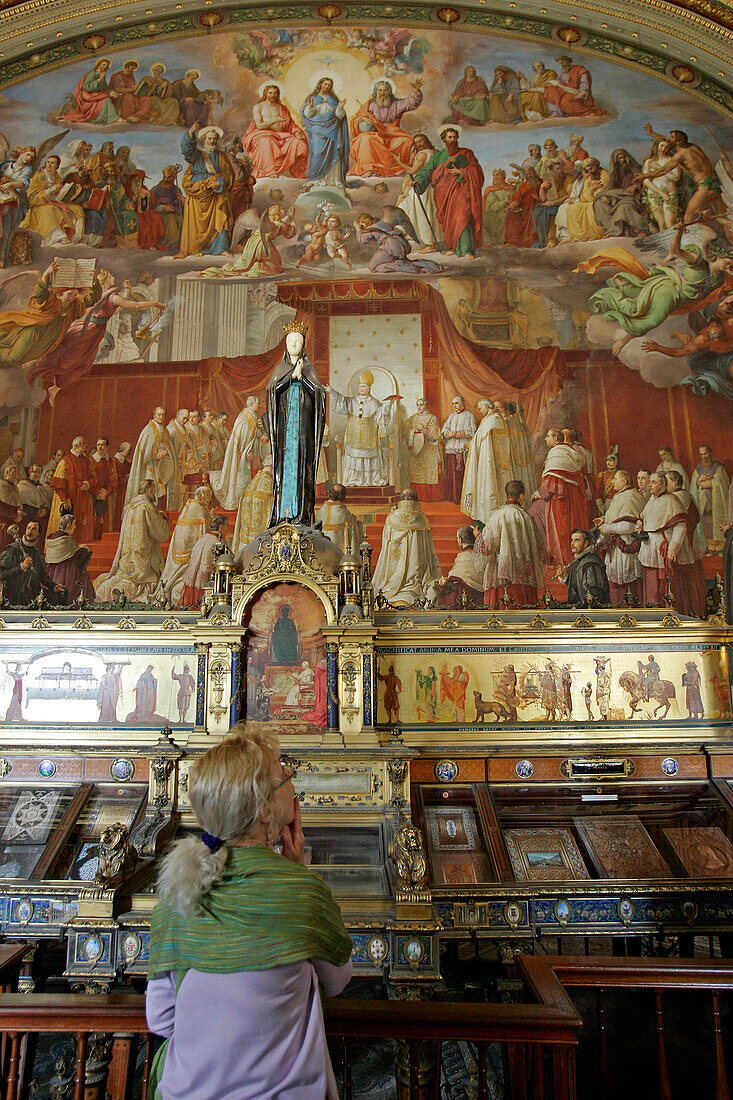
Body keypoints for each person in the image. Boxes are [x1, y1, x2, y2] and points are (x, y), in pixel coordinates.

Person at [146, 727, 352, 1099]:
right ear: (263, 807)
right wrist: (295, 873)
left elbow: (160, 1017)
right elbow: (337, 981)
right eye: (283, 772)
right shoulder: (302, 893)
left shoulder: (179, 895)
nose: (292, 780)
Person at [267, 323, 326, 527]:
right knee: (284, 471)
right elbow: (272, 393)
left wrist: (303, 378)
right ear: (285, 344)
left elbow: (319, 395)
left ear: (303, 345)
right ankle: (283, 516)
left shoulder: (309, 369)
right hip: (285, 433)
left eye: (297, 341)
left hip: (303, 433)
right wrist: (290, 377)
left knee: (302, 469)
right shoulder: (280, 369)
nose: (293, 343)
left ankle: (301, 515)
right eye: (290, 341)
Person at [635, 471, 704, 616]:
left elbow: (681, 527)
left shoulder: (672, 500)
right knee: (651, 585)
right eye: (650, 482)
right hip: (649, 548)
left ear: (662, 484)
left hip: (664, 550)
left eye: (653, 482)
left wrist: (673, 549)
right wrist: (639, 526)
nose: (650, 485)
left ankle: (670, 617)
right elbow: (642, 517)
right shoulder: (652, 500)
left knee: (666, 587)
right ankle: (653, 616)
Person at [411, 127, 484, 256]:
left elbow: (476, 171)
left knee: (463, 216)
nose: (453, 140)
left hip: (462, 191)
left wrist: (461, 172)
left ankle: (466, 250)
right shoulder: (438, 156)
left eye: (455, 137)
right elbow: (427, 170)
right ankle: (453, 248)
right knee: (450, 221)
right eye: (450, 137)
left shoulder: (466, 153)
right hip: (443, 194)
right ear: (444, 139)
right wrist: (419, 180)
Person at [94, 479, 169, 603]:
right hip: (143, 554)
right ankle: (121, 591)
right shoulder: (147, 507)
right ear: (148, 490)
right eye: (154, 490)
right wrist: (165, 521)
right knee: (148, 579)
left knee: (124, 575)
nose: (154, 494)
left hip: (128, 553)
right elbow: (160, 533)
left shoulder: (130, 506)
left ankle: (114, 589)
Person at [529, 428, 590, 566]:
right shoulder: (570, 451)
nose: (546, 439)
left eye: (548, 436)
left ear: (556, 438)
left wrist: (540, 493)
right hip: (573, 500)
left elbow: (551, 482)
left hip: (560, 503)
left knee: (561, 530)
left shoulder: (557, 453)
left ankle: (562, 561)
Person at [482, 480, 546, 608]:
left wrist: (478, 536)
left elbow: (487, 547)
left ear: (506, 495)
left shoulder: (496, 516)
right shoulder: (527, 518)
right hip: (523, 577)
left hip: (501, 575)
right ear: (522, 496)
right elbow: (539, 547)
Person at [372, 488, 441, 606]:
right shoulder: (421, 518)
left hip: (392, 575)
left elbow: (386, 545)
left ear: (401, 499)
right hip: (416, 570)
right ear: (416, 500)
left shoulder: (392, 517)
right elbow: (428, 549)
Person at [327, 370, 391, 487]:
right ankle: (354, 480)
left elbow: (381, 417)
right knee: (354, 457)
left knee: (368, 458)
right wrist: (332, 392)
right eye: (360, 386)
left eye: (364, 386)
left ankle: (370, 480)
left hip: (369, 437)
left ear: (369, 388)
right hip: (353, 436)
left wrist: (387, 407)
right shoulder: (352, 401)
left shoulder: (375, 403)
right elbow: (341, 402)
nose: (361, 388)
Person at [178, 122, 233, 258]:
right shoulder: (197, 155)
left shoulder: (221, 156)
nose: (212, 141)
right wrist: (191, 132)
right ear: (204, 140)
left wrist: (218, 182)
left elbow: (228, 175)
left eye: (214, 139)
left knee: (220, 216)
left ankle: (220, 248)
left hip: (215, 192)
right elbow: (186, 150)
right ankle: (198, 249)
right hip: (199, 191)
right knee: (198, 224)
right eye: (209, 139)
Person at [349, 78, 423, 178]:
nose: (382, 93)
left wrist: (415, 91)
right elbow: (356, 119)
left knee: (406, 141)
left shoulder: (396, 104)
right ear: (375, 92)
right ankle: (368, 168)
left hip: (392, 133)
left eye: (385, 90)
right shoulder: (369, 105)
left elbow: (411, 103)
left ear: (389, 91)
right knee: (365, 139)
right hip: (375, 134)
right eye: (380, 90)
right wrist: (364, 120)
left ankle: (399, 170)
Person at [154, 486, 213, 606]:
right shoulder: (200, 509)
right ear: (200, 495)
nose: (209, 499)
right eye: (207, 495)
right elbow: (205, 532)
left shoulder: (189, 506)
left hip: (180, 549)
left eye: (210, 496)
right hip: (187, 550)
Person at [597, 469, 646, 606]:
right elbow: (616, 517)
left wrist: (606, 528)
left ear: (624, 481)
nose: (612, 482)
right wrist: (604, 519)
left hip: (625, 548)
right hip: (617, 549)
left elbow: (628, 527)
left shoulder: (630, 496)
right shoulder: (621, 495)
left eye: (615, 479)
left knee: (627, 587)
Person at [210, 396, 265, 511]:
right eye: (257, 403)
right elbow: (242, 443)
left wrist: (262, 437)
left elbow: (254, 434)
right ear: (251, 404)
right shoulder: (243, 420)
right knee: (242, 478)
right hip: (242, 456)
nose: (259, 406)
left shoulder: (253, 416)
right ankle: (240, 503)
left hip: (251, 453)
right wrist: (247, 452)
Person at [242, 83, 308, 179]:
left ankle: (292, 170)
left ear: (278, 94)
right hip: (262, 134)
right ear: (265, 94)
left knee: (300, 145)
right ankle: (268, 170)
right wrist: (276, 120)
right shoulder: (259, 107)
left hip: (281, 135)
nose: (273, 95)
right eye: (270, 93)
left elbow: (291, 125)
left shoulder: (282, 108)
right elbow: (260, 125)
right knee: (266, 141)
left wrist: (296, 132)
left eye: (275, 93)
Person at [0, 520, 66, 605]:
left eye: (34, 529)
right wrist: (21, 567)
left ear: (38, 534)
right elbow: (2, 574)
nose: (30, 532)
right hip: (15, 594)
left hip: (32, 594)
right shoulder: (13, 550)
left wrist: (54, 586)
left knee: (61, 595)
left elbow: (42, 576)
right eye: (28, 528)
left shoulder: (36, 554)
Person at [22, 155, 84, 246]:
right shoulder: (38, 176)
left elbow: (60, 198)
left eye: (52, 163)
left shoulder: (57, 177)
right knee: (51, 209)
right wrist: (50, 190)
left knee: (78, 208)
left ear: (57, 166)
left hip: (54, 202)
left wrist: (74, 195)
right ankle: (58, 237)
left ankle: (76, 237)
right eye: (48, 162)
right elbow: (30, 197)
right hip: (38, 205)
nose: (49, 165)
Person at [396, 134, 444, 252]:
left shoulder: (423, 154)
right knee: (418, 210)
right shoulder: (435, 152)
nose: (419, 144)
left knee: (421, 212)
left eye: (421, 141)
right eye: (416, 142)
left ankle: (430, 244)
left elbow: (412, 170)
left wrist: (398, 161)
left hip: (421, 186)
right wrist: (412, 159)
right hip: (430, 185)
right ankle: (414, 234)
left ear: (426, 141)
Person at [301, 77, 349, 186]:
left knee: (333, 153)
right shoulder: (313, 98)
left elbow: (339, 116)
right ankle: (316, 179)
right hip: (317, 131)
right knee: (317, 153)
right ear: (320, 85)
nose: (327, 87)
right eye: (325, 84)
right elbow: (308, 115)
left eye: (329, 85)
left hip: (333, 131)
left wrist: (340, 108)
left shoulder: (334, 100)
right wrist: (310, 107)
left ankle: (333, 180)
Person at [125, 406, 175, 511]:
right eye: (159, 415)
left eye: (163, 415)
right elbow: (144, 454)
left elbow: (170, 448)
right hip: (148, 468)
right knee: (150, 495)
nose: (161, 417)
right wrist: (155, 455)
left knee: (161, 495)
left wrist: (165, 452)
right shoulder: (148, 431)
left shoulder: (165, 430)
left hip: (161, 468)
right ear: (154, 416)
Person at [48, 435, 96, 543]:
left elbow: (93, 477)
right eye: (84, 443)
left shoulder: (87, 461)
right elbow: (59, 484)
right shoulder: (65, 461)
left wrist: (88, 484)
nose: (86, 445)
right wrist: (65, 500)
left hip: (82, 497)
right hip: (69, 499)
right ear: (77, 446)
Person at [594, 149, 648, 239]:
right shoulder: (614, 173)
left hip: (631, 196)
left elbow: (642, 181)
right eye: (619, 158)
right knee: (599, 203)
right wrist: (604, 195)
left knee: (624, 207)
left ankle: (638, 230)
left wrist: (635, 186)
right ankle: (610, 230)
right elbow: (609, 188)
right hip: (617, 196)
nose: (622, 160)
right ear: (615, 161)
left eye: (623, 157)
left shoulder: (635, 169)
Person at [43, 512, 95, 604]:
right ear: (68, 525)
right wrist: (84, 549)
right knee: (83, 575)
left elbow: (69, 550)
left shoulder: (53, 538)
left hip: (51, 572)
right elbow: (74, 553)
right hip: (65, 573)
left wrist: (78, 548)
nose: (75, 527)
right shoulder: (66, 539)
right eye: (74, 524)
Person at [180, 515, 229, 608]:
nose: (227, 528)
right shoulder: (218, 542)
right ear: (221, 527)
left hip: (194, 578)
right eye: (226, 525)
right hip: (206, 580)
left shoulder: (203, 538)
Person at [232, 446, 274, 554]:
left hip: (244, 541)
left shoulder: (253, 482)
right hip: (260, 546)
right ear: (272, 467)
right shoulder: (269, 485)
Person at [691, 443, 730, 552]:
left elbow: (723, 485)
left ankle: (721, 548)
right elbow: (693, 485)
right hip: (705, 504)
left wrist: (709, 484)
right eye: (702, 454)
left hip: (717, 504)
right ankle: (710, 548)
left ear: (710, 453)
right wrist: (698, 480)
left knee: (718, 525)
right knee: (707, 526)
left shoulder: (718, 468)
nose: (704, 457)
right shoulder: (698, 469)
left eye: (706, 453)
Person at [403, 397, 443, 500]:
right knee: (416, 473)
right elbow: (405, 430)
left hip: (429, 450)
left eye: (421, 405)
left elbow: (436, 434)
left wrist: (424, 430)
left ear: (426, 405)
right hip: (416, 450)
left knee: (429, 472)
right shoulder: (413, 418)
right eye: (417, 405)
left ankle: (430, 497)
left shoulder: (432, 417)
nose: (419, 407)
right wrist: (411, 432)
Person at [60, 59, 120, 125]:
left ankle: (108, 117)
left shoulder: (102, 75)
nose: (105, 67)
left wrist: (111, 92)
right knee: (106, 100)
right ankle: (113, 118)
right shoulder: (92, 74)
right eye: (104, 65)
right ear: (99, 65)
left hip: (97, 95)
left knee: (112, 98)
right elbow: (87, 87)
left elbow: (104, 89)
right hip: (88, 97)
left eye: (107, 66)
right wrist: (99, 80)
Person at [436, 526, 484, 607]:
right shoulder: (480, 556)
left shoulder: (464, 557)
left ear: (460, 540)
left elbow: (459, 580)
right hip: (479, 597)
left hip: (465, 598)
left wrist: (446, 582)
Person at [442, 395, 476, 505]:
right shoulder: (451, 416)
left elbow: (471, 431)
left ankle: (461, 498)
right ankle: (451, 497)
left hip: (462, 448)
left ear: (463, 402)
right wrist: (448, 433)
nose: (454, 405)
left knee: (460, 474)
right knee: (450, 473)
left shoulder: (469, 416)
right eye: (453, 404)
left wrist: (455, 433)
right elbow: (444, 429)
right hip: (451, 448)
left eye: (456, 403)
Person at [564, 528, 609, 606]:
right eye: (572, 540)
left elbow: (594, 594)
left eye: (577, 540)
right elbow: (579, 587)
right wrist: (565, 578)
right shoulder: (579, 561)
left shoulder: (591, 564)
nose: (572, 544)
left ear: (586, 543)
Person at [315, 483, 362, 554]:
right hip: (339, 555)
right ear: (343, 496)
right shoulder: (345, 514)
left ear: (329, 494)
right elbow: (352, 538)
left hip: (322, 552)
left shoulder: (320, 511)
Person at [151, 164, 185, 250]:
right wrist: (163, 208)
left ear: (174, 178)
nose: (166, 180)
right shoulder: (156, 190)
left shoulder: (176, 190)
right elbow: (150, 205)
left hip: (174, 213)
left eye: (169, 177)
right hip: (160, 214)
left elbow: (180, 207)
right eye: (165, 177)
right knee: (170, 218)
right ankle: (171, 243)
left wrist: (181, 201)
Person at [112, 442, 132, 528]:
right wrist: (127, 479)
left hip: (125, 491)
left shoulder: (126, 462)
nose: (130, 452)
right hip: (117, 491)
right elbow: (114, 478)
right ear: (122, 450)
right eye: (129, 450)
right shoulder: (114, 461)